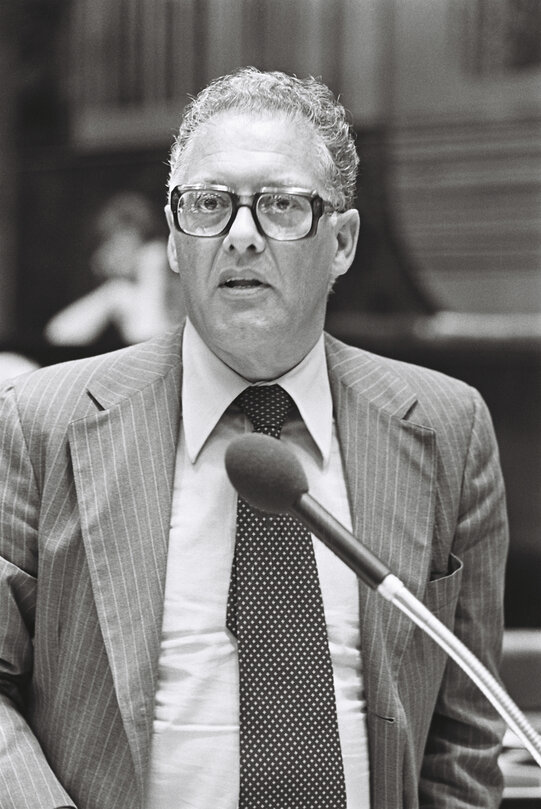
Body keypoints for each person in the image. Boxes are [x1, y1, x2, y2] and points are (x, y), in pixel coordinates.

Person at [0, 68, 508, 809]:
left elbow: (463, 733)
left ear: (341, 242)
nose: (239, 236)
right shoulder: (42, 420)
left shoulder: (445, 426)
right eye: (207, 204)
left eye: (280, 206)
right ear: (175, 239)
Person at [44, 192, 184, 349]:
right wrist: (112, 293)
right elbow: (58, 337)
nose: (113, 253)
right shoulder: (120, 292)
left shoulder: (170, 276)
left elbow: (146, 337)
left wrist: (152, 266)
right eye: (111, 243)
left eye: (124, 242)